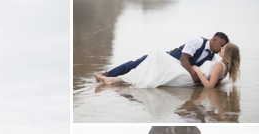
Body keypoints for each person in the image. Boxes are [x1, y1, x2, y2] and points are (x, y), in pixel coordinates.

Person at [95, 33, 230, 86]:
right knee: (139, 62)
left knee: (147, 72)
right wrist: (194, 74)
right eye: (221, 45)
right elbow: (184, 58)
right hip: (169, 58)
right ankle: (110, 74)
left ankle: (115, 79)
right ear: (214, 40)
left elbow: (210, 72)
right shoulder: (197, 41)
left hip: (176, 69)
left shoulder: (212, 57)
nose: (221, 49)